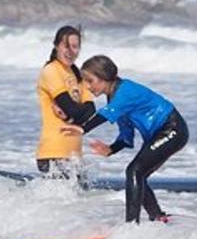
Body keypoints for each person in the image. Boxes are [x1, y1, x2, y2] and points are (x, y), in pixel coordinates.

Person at [61, 55, 188, 223]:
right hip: (161, 133)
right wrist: (112, 149)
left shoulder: (126, 91)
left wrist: (83, 128)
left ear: (104, 78)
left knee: (134, 171)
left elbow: (105, 114)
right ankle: (157, 216)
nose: (87, 86)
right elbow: (126, 131)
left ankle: (131, 224)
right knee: (138, 173)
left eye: (90, 81)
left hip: (172, 129)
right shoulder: (114, 97)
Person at [36, 25, 95, 175]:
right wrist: (74, 114)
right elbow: (72, 108)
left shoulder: (77, 74)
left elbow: (91, 110)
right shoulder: (51, 71)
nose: (70, 51)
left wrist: (69, 116)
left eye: (75, 46)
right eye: (66, 46)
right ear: (56, 46)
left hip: (75, 156)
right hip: (53, 153)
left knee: (82, 199)